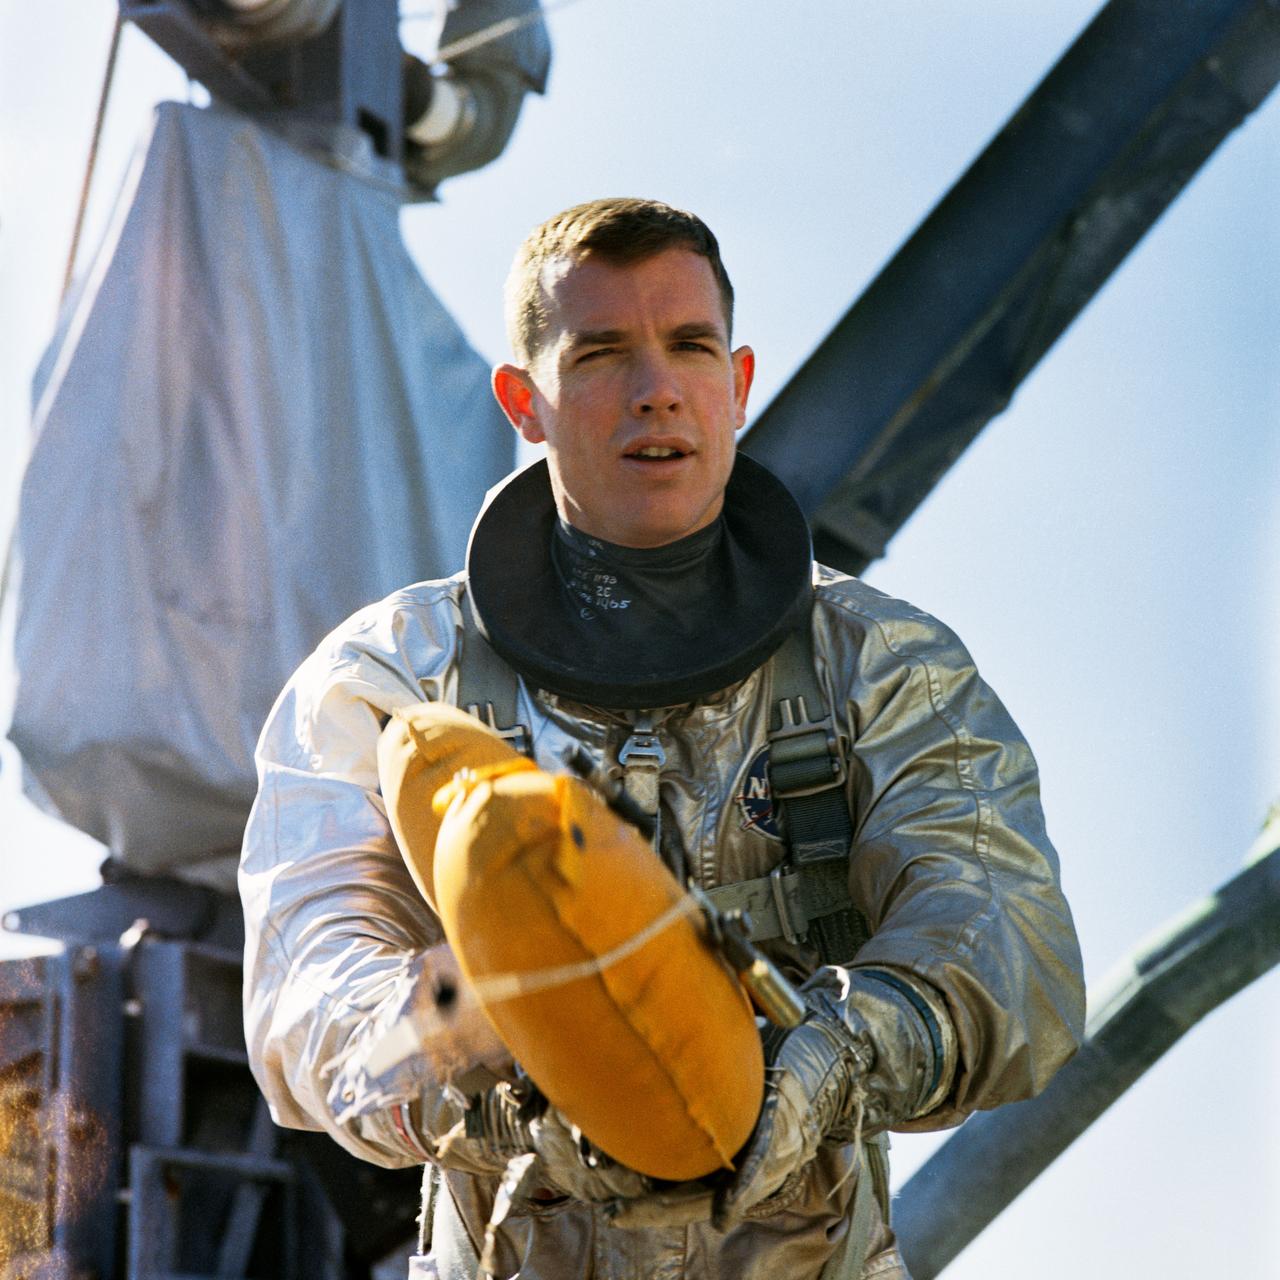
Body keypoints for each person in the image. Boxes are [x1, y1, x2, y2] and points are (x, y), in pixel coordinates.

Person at [240, 198, 1085, 1279]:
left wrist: (831, 1058)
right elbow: (310, 1000)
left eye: (689, 346)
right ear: (524, 402)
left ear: (736, 383)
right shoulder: (391, 678)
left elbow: (1007, 945)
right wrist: (514, 1053)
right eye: (599, 353)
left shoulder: (883, 666)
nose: (657, 389)